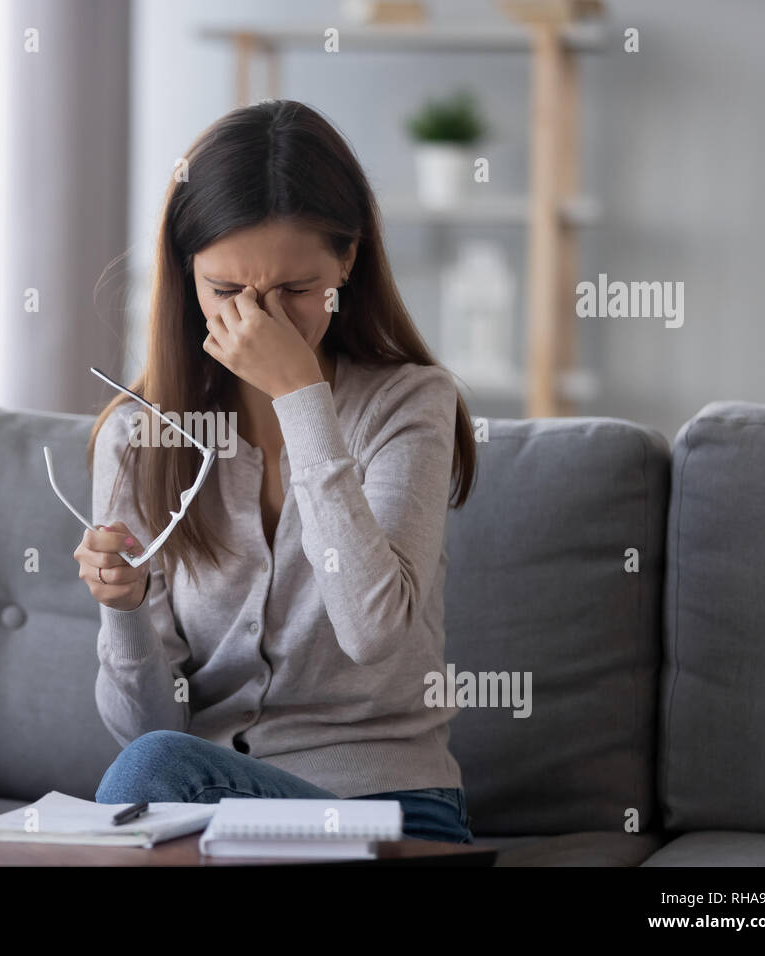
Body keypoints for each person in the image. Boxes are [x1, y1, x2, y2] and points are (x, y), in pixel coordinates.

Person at [73, 99, 478, 844]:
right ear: (184, 274)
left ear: (348, 260)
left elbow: (373, 633)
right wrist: (124, 608)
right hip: (211, 811)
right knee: (151, 766)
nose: (262, 322)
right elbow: (146, 729)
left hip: (389, 810)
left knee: (149, 774)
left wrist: (300, 396)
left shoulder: (410, 403)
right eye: (225, 292)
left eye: (296, 291)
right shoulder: (139, 436)